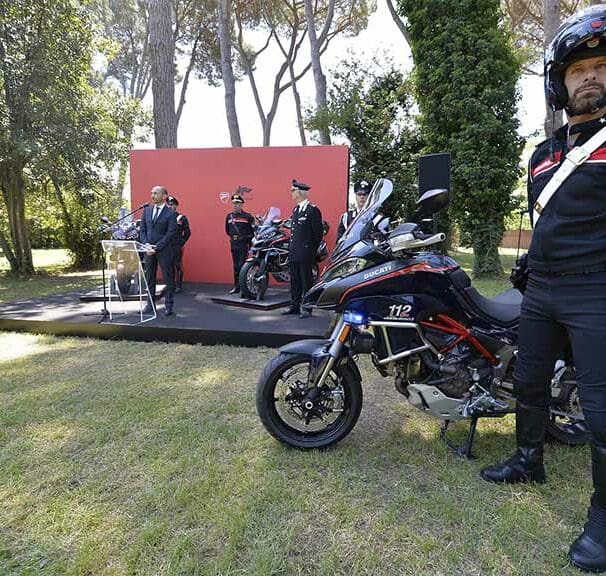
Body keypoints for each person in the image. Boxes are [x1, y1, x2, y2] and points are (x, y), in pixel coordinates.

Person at [480, 6, 606, 572]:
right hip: (544, 291)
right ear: (561, 81)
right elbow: (545, 219)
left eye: (602, 66)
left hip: (597, 293)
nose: (591, 77)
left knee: (602, 413)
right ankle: (528, 459)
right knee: (528, 383)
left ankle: (603, 519)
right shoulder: (541, 156)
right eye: (580, 69)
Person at [282, 179, 323, 319]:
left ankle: (306, 308)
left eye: (293, 191)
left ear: (299, 192)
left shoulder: (312, 210)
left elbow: (317, 234)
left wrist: (311, 251)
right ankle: (294, 306)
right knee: (295, 281)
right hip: (294, 251)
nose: (291, 194)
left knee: (306, 281)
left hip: (305, 253)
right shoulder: (296, 210)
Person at [139, 185, 178, 316]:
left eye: (155, 193)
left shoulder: (171, 213)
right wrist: (146, 245)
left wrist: (157, 247)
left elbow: (171, 233)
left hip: (164, 250)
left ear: (164, 196)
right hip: (148, 250)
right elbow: (143, 230)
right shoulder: (147, 210)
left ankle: (169, 306)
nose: (152, 196)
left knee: (168, 278)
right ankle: (150, 305)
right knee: (150, 278)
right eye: (152, 193)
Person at [224, 193, 255, 294]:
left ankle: (243, 288)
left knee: (242, 266)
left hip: (243, 244)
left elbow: (252, 231)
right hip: (234, 244)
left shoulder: (247, 217)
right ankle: (237, 287)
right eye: (234, 203)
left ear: (242, 204)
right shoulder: (229, 216)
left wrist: (249, 243)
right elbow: (228, 231)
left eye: (238, 203)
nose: (235, 205)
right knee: (235, 267)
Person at [166, 195, 191, 293]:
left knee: (177, 265)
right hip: (167, 245)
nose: (170, 207)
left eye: (172, 205)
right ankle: (170, 285)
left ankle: (179, 286)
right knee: (168, 265)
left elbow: (188, 232)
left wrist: (182, 241)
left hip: (177, 245)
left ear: (176, 206)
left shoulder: (181, 218)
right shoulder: (164, 218)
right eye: (168, 205)